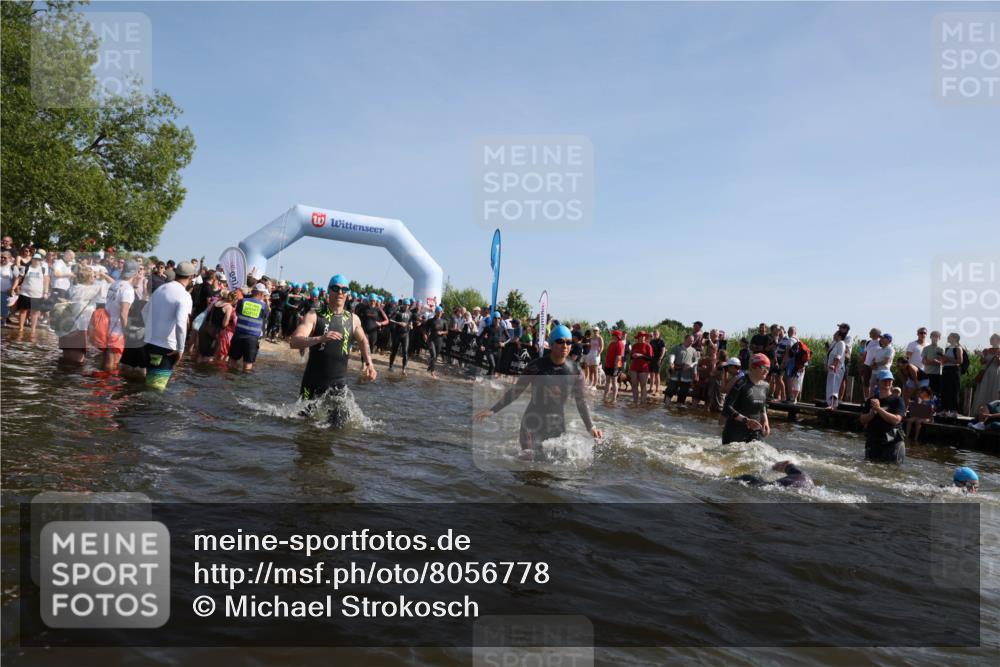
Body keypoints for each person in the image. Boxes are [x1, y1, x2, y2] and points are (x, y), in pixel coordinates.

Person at [473, 324, 603, 461]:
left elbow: (581, 401)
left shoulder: (575, 371)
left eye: (568, 342)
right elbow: (516, 392)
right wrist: (492, 410)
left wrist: (591, 427)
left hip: (556, 425)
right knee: (529, 464)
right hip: (532, 424)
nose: (565, 345)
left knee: (555, 468)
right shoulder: (536, 366)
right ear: (552, 344)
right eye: (560, 341)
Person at [290, 274, 376, 425]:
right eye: (336, 288)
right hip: (312, 382)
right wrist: (320, 338)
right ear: (329, 291)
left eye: (344, 290)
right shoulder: (314, 315)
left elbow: (363, 340)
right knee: (303, 424)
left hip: (338, 384)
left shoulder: (353, 319)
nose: (340, 293)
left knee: (338, 427)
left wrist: (369, 363)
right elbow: (294, 342)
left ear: (348, 294)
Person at [142, 260, 195, 390]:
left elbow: (144, 312)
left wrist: (150, 332)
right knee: (156, 389)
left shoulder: (160, 289)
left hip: (149, 342)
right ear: (191, 277)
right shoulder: (184, 295)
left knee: (149, 382)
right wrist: (181, 349)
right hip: (167, 348)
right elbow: (181, 323)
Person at [721, 353, 771, 444]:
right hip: (735, 432)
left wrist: (766, 421)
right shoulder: (741, 383)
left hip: (755, 431)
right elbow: (727, 407)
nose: (766, 371)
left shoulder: (766, 386)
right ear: (753, 367)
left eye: (768, 368)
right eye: (764, 367)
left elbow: (763, 405)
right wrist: (746, 420)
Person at [56, 265, 101, 365]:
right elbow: (112, 285)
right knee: (78, 362)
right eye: (94, 276)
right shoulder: (92, 290)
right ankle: (73, 380)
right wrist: (102, 275)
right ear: (88, 278)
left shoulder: (72, 288)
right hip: (80, 329)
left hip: (66, 327)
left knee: (65, 360)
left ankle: (61, 378)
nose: (95, 278)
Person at [860, 368, 906, 463]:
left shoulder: (897, 400)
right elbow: (862, 420)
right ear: (878, 381)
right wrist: (872, 412)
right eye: (884, 380)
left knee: (891, 470)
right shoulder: (871, 401)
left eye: (889, 380)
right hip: (874, 440)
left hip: (893, 441)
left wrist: (879, 409)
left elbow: (896, 420)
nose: (887, 382)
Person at [102, 260, 141, 371]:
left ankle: (101, 383)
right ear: (136, 273)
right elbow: (124, 314)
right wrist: (127, 333)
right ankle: (108, 385)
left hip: (106, 326)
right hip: (117, 329)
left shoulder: (115, 284)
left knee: (106, 361)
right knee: (113, 364)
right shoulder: (128, 289)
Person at [228, 283, 270, 372]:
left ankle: (228, 381)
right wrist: (266, 302)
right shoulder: (263, 306)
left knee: (231, 362)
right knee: (247, 365)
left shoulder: (243, 301)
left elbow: (238, 313)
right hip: (252, 339)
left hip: (238, 335)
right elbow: (266, 317)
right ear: (261, 294)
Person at [11, 252, 50, 335]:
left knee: (35, 313)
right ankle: (21, 328)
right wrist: (13, 288)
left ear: (41, 260)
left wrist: (46, 292)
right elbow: (19, 278)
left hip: (38, 294)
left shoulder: (43, 269)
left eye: (39, 259)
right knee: (23, 311)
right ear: (32, 259)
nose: (37, 261)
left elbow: (46, 281)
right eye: (35, 259)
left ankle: (33, 330)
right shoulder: (26, 268)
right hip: (25, 293)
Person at [665, 334, 699, 406]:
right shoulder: (677, 348)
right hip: (675, 374)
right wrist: (671, 363)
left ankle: (679, 412)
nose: (691, 342)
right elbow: (672, 355)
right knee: (669, 392)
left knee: (682, 395)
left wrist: (694, 374)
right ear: (685, 339)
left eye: (692, 341)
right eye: (690, 340)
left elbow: (695, 362)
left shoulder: (694, 351)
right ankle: (666, 408)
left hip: (686, 376)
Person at [735, 460, 813, 489]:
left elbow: (787, 462)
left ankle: (727, 479)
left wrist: (773, 467)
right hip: (807, 486)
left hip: (787, 484)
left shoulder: (789, 473)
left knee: (748, 478)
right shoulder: (802, 474)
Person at [972, 333, 1000, 414]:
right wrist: (980, 355)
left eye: (992, 338)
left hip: (996, 374)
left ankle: (993, 412)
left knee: (994, 392)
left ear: (998, 340)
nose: (990, 340)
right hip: (986, 373)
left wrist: (998, 358)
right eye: (990, 338)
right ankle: (980, 413)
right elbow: (982, 362)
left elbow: (999, 364)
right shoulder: (986, 350)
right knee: (984, 391)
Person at [940, 332, 964, 417]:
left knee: (953, 390)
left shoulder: (958, 348)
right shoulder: (947, 348)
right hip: (946, 369)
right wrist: (943, 359)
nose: (948, 337)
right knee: (945, 390)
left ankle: (954, 411)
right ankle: (945, 410)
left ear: (954, 338)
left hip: (954, 370)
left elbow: (960, 361)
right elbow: (943, 362)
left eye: (949, 336)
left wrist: (947, 358)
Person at [388, 298, 414, 374]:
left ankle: (403, 369)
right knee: (394, 351)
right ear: (403, 305)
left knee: (405, 352)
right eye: (405, 305)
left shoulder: (410, 313)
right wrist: (399, 323)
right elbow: (390, 320)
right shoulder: (398, 312)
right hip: (397, 334)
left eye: (408, 305)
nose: (407, 307)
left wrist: (411, 325)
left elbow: (410, 321)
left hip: (406, 334)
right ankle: (390, 366)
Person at [628, 331, 654, 405]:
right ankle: (635, 402)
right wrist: (632, 356)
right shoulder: (634, 345)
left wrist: (641, 355)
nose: (642, 338)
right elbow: (631, 357)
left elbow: (650, 358)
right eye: (641, 336)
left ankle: (643, 403)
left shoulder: (648, 346)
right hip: (634, 367)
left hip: (643, 368)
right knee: (634, 385)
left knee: (643, 385)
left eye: (644, 336)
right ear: (638, 337)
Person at [423, 305, 447, 379]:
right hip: (431, 340)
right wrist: (425, 335)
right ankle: (432, 372)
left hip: (439, 341)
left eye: (441, 312)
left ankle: (430, 367)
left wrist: (442, 332)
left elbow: (447, 331)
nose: (440, 313)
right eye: (438, 312)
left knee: (435, 357)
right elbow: (424, 329)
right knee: (433, 356)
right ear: (435, 312)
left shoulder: (444, 321)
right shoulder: (431, 320)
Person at [602, 330, 626, 404]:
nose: (612, 336)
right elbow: (608, 354)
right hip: (608, 365)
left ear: (616, 336)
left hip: (615, 366)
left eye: (613, 335)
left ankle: (614, 398)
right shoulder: (612, 343)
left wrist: (616, 366)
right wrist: (606, 364)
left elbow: (619, 356)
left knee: (614, 381)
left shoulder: (620, 344)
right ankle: (605, 397)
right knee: (607, 381)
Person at [826, 330, 847, 408]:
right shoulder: (835, 343)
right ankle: (830, 404)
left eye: (835, 334)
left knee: (834, 387)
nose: (833, 335)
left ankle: (833, 405)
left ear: (839, 335)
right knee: (830, 387)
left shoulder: (841, 343)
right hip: (831, 369)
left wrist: (834, 365)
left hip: (837, 369)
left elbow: (839, 355)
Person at [921, 330, 945, 397]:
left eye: (937, 336)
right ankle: (925, 407)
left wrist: (937, 362)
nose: (935, 338)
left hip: (937, 374)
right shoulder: (926, 348)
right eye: (933, 336)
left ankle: (935, 407)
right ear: (930, 337)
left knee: (936, 393)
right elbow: (924, 361)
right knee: (926, 392)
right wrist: (933, 362)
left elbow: (943, 362)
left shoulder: (941, 349)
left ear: (939, 338)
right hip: (927, 373)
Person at [648, 330, 666, 395]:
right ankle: (651, 388)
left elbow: (663, 350)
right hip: (651, 359)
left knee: (657, 374)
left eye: (656, 334)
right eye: (654, 334)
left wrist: (660, 358)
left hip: (658, 359)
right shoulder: (651, 341)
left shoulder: (661, 341)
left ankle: (657, 389)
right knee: (651, 374)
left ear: (659, 334)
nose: (655, 335)